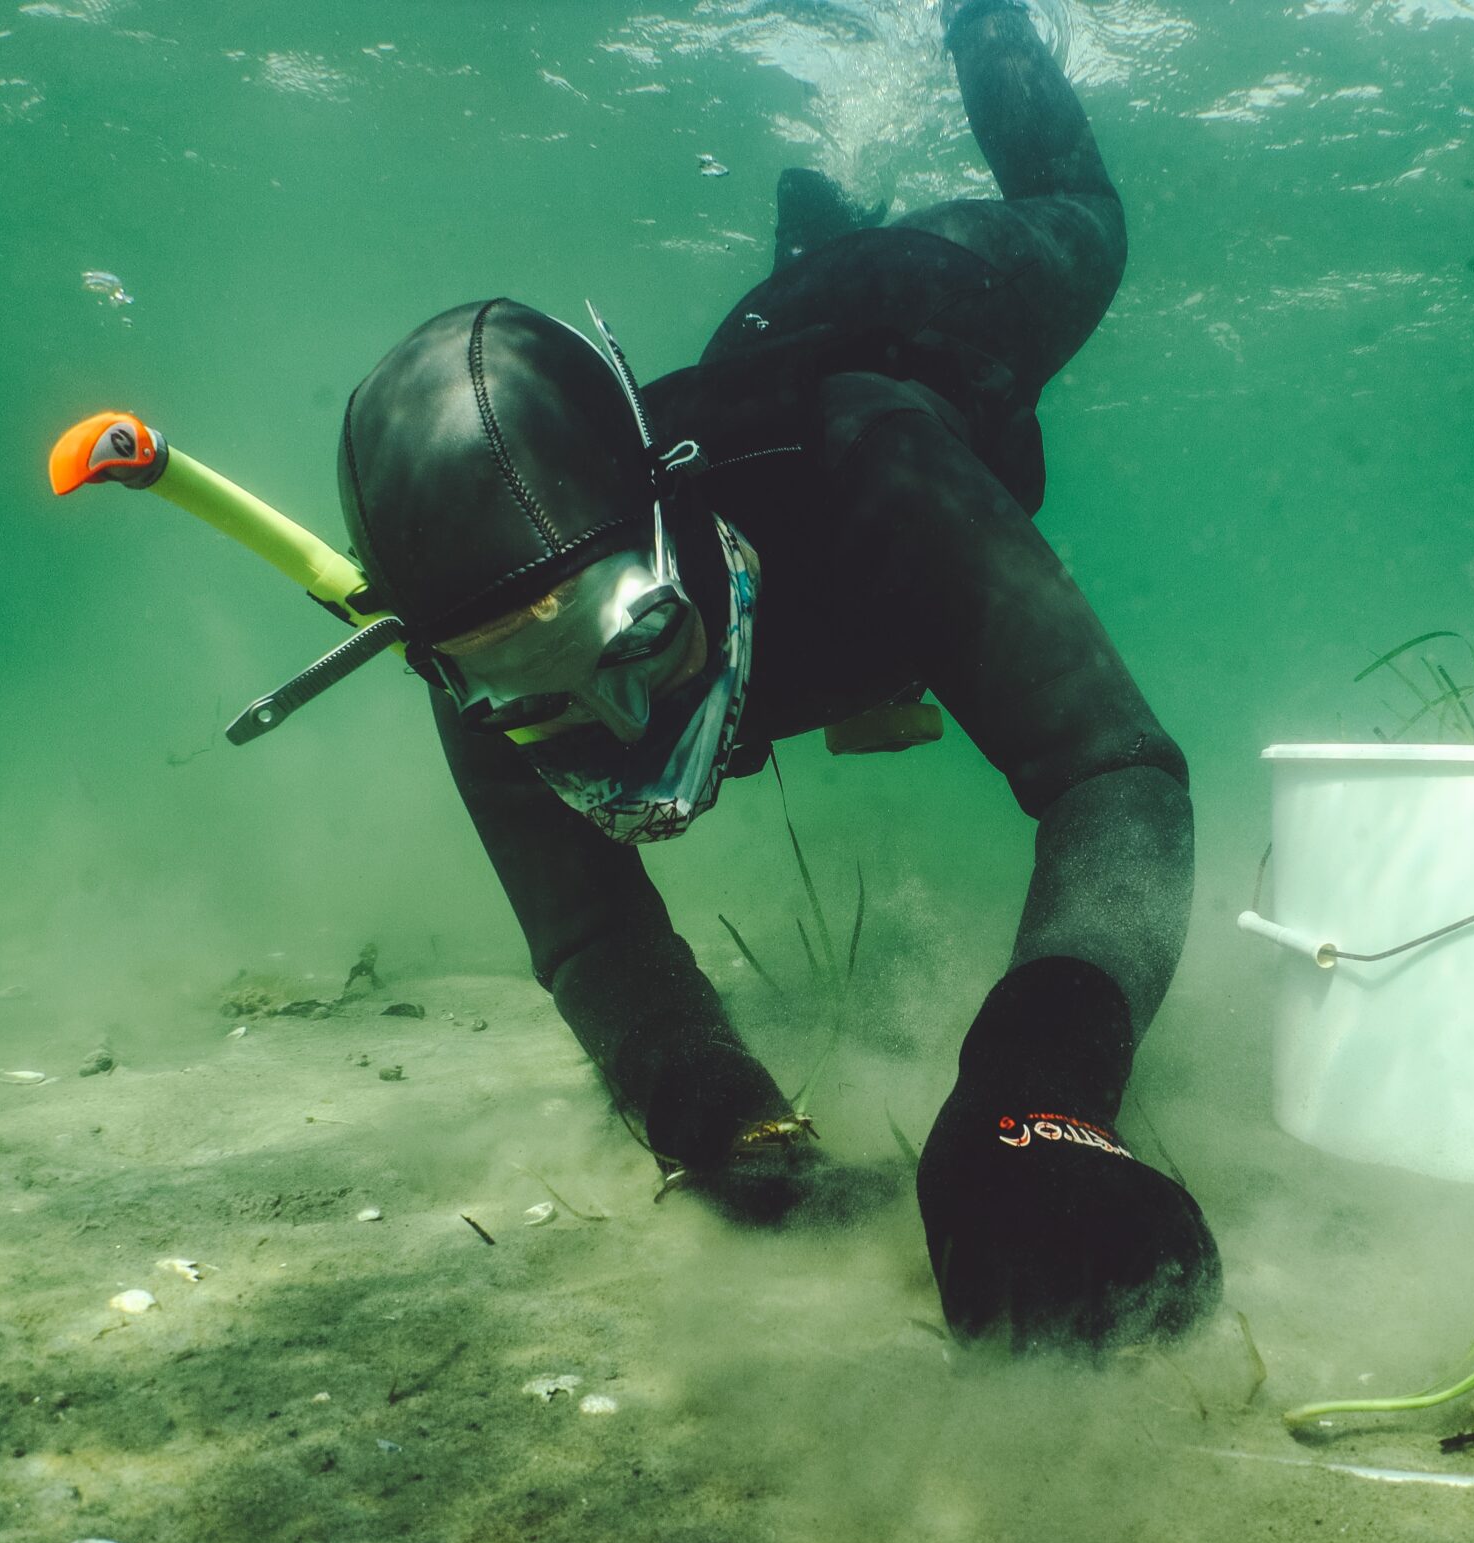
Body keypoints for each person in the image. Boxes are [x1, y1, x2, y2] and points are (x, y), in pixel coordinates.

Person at [334, 0, 1219, 1353]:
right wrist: (725, 1123)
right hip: (767, 338)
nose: (620, 734)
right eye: (535, 699)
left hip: (936, 304)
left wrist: (1036, 1093)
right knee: (786, 306)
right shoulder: (466, 648)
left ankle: (979, 29)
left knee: (1081, 209)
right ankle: (815, 211)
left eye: (633, 644)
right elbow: (592, 936)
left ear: (668, 536)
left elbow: (1117, 772)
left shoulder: (873, 470)